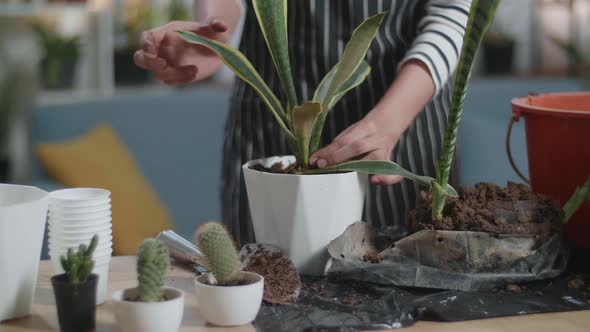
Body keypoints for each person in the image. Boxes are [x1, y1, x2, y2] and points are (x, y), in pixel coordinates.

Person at [135, 0, 470, 244]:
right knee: (268, 293)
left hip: (403, 124)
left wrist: (389, 121)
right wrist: (211, 35)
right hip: (273, 125)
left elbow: (453, 14)